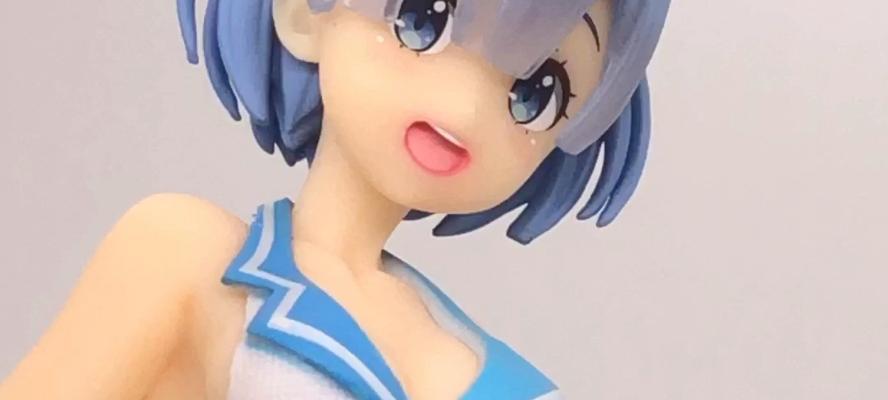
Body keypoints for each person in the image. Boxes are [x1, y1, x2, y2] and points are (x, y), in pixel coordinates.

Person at [0, 0, 669, 398]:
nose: (466, 108)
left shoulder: (503, 375)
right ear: (305, 12)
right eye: (422, 19)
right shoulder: (185, 257)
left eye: (536, 94)